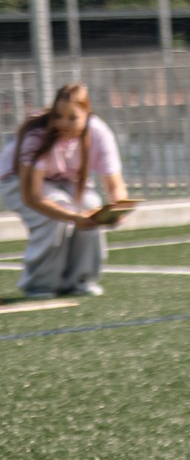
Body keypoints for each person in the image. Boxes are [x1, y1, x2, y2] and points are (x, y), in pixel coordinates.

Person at [2, 82, 128, 299]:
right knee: (57, 210)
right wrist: (72, 216)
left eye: (72, 117)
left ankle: (80, 281)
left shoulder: (99, 133)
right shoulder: (37, 135)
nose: (63, 123)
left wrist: (118, 209)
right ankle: (40, 285)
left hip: (64, 181)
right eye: (58, 115)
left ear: (87, 115)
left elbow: (115, 186)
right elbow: (31, 196)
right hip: (17, 182)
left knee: (91, 206)